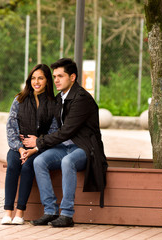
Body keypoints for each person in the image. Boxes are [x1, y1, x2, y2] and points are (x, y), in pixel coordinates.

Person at [23, 58, 108, 227]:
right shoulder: (59, 98)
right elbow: (53, 127)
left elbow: (67, 131)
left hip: (85, 148)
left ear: (72, 77)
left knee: (67, 162)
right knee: (39, 161)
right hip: (65, 146)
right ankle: (50, 211)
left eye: (60, 76)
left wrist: (39, 142)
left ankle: (67, 214)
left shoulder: (81, 98)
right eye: (54, 76)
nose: (56, 80)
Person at [1, 64, 57, 225]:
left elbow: (54, 131)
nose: (36, 81)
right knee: (12, 166)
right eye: (33, 78)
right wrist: (20, 148)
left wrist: (35, 146)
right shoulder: (19, 99)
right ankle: (7, 211)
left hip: (39, 148)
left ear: (47, 81)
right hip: (17, 147)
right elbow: (11, 126)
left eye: (40, 78)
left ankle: (20, 212)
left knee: (27, 168)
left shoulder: (53, 104)